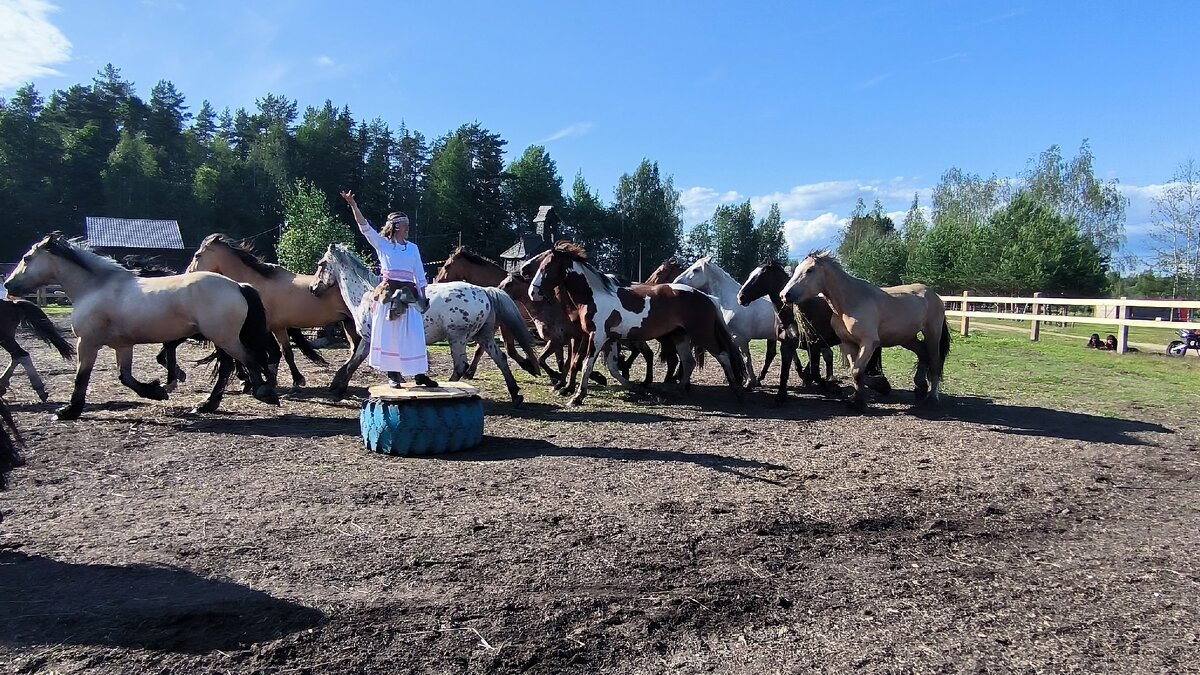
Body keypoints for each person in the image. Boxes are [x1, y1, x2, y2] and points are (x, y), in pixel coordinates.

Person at [340, 190, 438, 388]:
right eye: (404, 225)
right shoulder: (383, 245)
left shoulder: (412, 248)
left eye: (408, 225)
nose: (407, 228)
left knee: (414, 334)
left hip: (408, 296)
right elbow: (364, 227)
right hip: (389, 295)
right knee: (391, 335)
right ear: (396, 227)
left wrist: (423, 296)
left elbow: (419, 275)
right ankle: (394, 375)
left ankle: (419, 374)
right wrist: (353, 205)